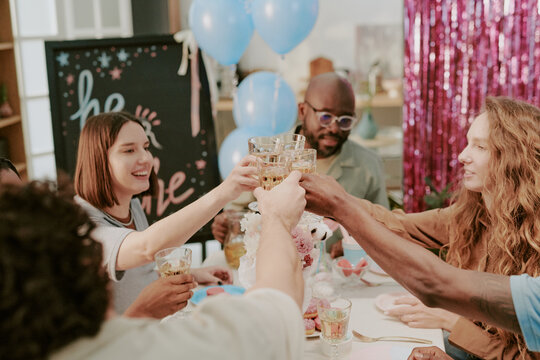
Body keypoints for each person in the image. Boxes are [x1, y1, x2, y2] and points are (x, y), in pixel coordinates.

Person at [301, 97, 540, 359]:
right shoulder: (472, 215)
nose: (462, 156)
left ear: (514, 157)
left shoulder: (534, 239)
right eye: (468, 143)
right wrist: (333, 201)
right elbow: (400, 226)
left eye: (480, 147)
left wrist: (452, 323)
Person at [0, 173, 306, 360]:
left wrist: (142, 312)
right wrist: (276, 218)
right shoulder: (179, 350)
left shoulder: (133, 206)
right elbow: (277, 306)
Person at [74, 112, 258, 315]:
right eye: (129, 150)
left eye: (145, 148)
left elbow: (139, 273)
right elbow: (146, 248)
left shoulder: (132, 206)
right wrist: (225, 192)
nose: (145, 159)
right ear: (98, 159)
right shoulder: (83, 224)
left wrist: (193, 274)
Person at [211, 72, 389, 250]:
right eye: (325, 117)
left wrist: (355, 245)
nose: (334, 128)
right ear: (303, 111)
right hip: (276, 264)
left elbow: (384, 227)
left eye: (345, 121)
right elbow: (237, 213)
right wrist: (226, 224)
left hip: (339, 273)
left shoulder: (369, 164)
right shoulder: (268, 156)